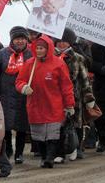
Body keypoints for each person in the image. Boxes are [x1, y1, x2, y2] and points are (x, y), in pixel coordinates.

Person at [15, 36, 74, 168]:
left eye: (42, 48)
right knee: (39, 135)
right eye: (37, 48)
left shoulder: (58, 64)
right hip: (35, 105)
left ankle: (49, 158)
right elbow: (19, 81)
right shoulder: (30, 63)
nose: (39, 50)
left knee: (52, 134)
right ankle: (43, 156)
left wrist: (69, 104)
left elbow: (66, 86)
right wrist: (24, 88)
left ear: (48, 49)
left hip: (54, 104)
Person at [0, 26, 32, 176]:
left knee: (22, 125)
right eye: (17, 38)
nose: (20, 41)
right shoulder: (3, 53)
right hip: (6, 94)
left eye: (22, 38)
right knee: (7, 126)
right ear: (12, 40)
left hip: (24, 94)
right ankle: (8, 150)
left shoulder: (31, 54)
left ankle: (19, 153)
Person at [54, 29, 94, 162]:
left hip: (74, 95)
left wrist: (89, 97)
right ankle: (59, 152)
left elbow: (84, 79)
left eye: (64, 42)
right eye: (59, 42)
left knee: (76, 123)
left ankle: (77, 148)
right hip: (55, 97)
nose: (61, 44)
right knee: (58, 125)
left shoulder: (78, 58)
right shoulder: (51, 57)